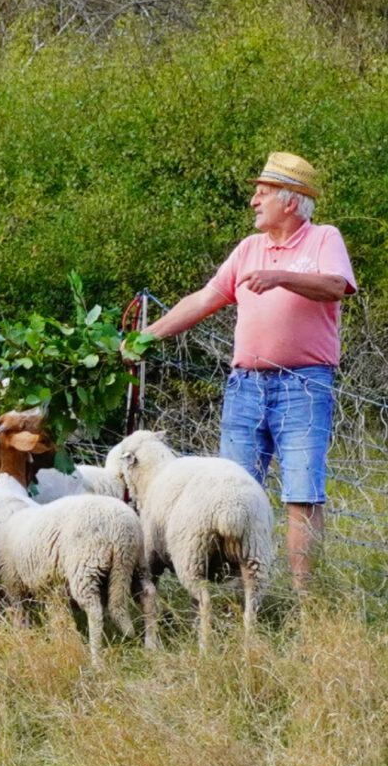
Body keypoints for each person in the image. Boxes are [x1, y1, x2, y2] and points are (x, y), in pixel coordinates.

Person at [136, 152, 354, 593]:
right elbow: (203, 299)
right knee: (232, 491)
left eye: (263, 192)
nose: (254, 200)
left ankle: (302, 598)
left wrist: (281, 276)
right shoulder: (248, 249)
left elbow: (337, 285)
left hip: (304, 385)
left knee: (302, 491)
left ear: (291, 201)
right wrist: (146, 338)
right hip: (246, 389)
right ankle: (242, 593)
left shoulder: (324, 238)